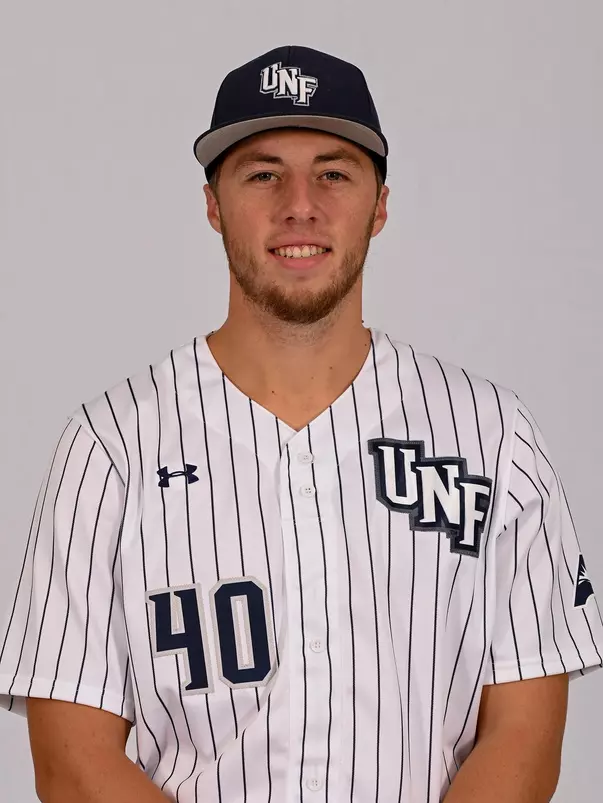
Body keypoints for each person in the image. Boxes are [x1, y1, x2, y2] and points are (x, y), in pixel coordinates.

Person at [0, 44, 601, 803]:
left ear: (379, 204)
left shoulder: (494, 439)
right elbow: (72, 761)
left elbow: (524, 734)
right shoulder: (110, 447)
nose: (299, 205)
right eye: (262, 173)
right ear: (213, 203)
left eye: (334, 172)